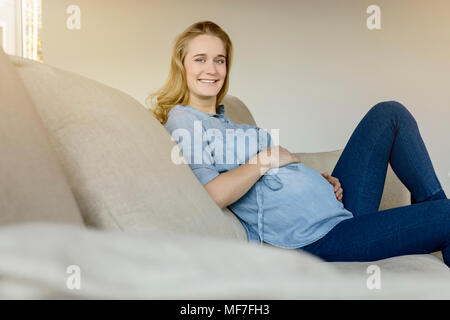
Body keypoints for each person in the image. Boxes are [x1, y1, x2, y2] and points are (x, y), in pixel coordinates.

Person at [148, 21, 450, 267]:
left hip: (337, 208)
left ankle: (434, 212)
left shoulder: (227, 121)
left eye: (219, 60)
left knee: (389, 114)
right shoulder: (183, 121)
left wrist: (319, 182)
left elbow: (275, 181)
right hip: (322, 237)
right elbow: (212, 194)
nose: (211, 69)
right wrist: (265, 159)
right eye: (200, 59)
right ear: (182, 65)